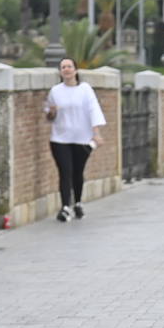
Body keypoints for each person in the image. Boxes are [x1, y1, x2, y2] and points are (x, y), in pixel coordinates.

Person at [44, 58, 105, 222]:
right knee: (65, 172)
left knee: (78, 172)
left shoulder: (85, 89)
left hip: (82, 138)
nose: (66, 69)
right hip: (60, 138)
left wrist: (96, 133)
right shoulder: (55, 91)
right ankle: (64, 207)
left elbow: (93, 110)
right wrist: (52, 112)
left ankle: (77, 203)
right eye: (63, 67)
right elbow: (49, 115)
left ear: (76, 70)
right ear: (60, 71)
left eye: (69, 66)